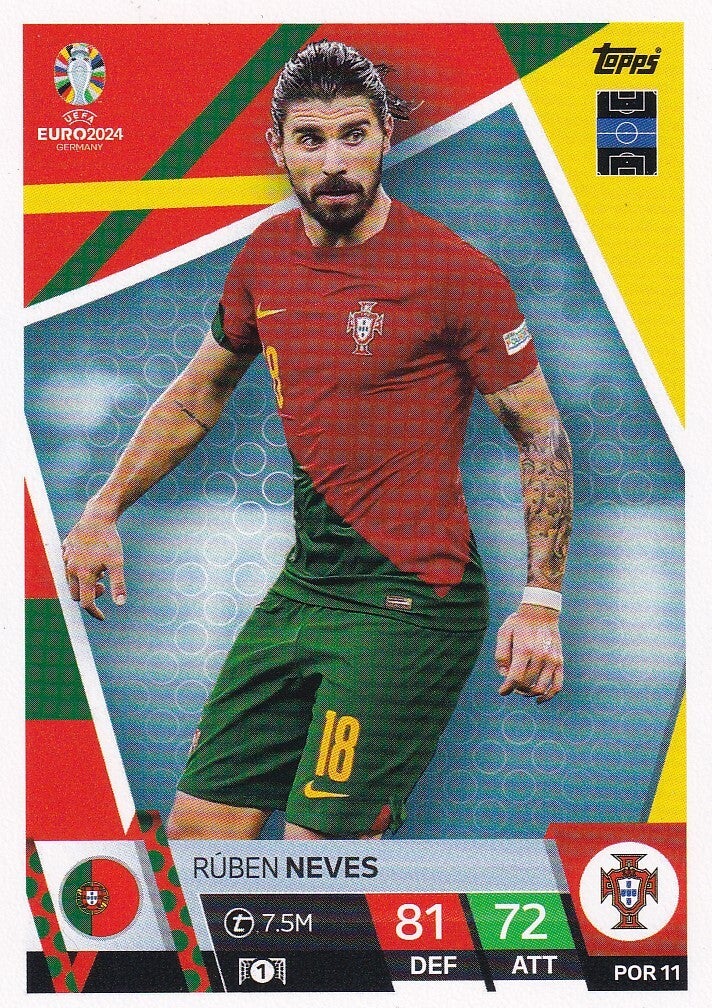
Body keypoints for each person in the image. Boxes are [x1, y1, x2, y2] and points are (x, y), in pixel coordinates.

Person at [62, 41, 573, 841]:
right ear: (278, 148)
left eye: (353, 135)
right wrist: (103, 509)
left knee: (318, 864)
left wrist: (541, 602)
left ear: (386, 135)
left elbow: (539, 430)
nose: (334, 162)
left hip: (412, 601)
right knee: (196, 839)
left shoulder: (455, 272)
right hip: (305, 589)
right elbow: (199, 393)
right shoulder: (265, 258)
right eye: (310, 139)